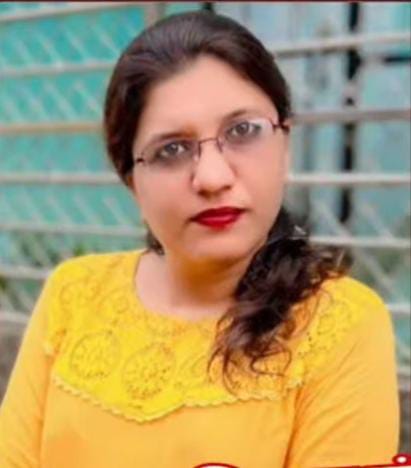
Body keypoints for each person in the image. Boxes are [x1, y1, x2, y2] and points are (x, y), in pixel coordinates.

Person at [0, 10, 400, 468]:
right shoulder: (73, 294)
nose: (212, 177)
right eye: (172, 149)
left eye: (243, 131)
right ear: (131, 179)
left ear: (284, 143)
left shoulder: (341, 326)